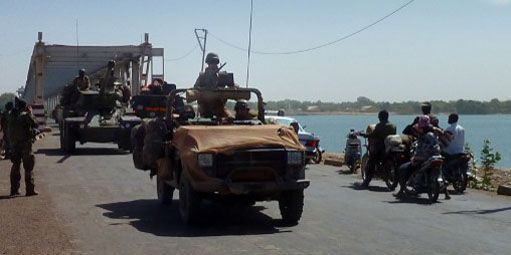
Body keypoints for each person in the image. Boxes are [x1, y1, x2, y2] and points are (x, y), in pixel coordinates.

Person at [395, 115, 449, 199]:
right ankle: (446, 193)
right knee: (439, 171)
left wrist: (415, 158)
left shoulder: (425, 136)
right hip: (437, 156)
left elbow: (423, 151)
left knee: (405, 168)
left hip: (425, 158)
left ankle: (402, 190)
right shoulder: (434, 133)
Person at [8, 97, 39, 196]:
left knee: (15, 166)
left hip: (14, 145)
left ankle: (14, 190)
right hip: (25, 145)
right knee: (28, 168)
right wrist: (30, 112)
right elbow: (35, 124)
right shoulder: (25, 116)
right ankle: (30, 190)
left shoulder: (11, 116)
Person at [360, 110, 396, 187]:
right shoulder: (393, 126)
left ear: (381, 117)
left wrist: (365, 135)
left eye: (379, 116)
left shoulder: (379, 126)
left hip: (381, 148)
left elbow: (373, 134)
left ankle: (366, 181)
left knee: (371, 162)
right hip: (390, 148)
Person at [194, 52, 229, 118]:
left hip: (219, 106)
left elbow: (232, 87)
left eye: (216, 62)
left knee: (229, 118)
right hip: (205, 107)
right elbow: (195, 89)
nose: (214, 64)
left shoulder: (221, 76)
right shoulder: (202, 76)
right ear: (208, 63)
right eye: (212, 62)